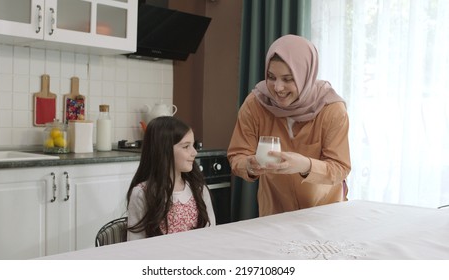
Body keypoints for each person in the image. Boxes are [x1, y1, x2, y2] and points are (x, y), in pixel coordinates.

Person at [227, 34, 351, 217]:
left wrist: (305, 165)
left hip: (325, 215)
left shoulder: (331, 109)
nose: (277, 88)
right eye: (271, 77)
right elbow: (237, 154)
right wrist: (248, 165)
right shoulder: (256, 104)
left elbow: (340, 168)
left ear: (305, 76)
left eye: (287, 79)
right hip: (275, 215)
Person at [127, 116, 216, 240]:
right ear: (163, 150)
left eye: (193, 145)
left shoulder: (199, 189)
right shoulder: (141, 194)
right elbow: (134, 246)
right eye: (186, 146)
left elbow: (210, 233)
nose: (194, 152)